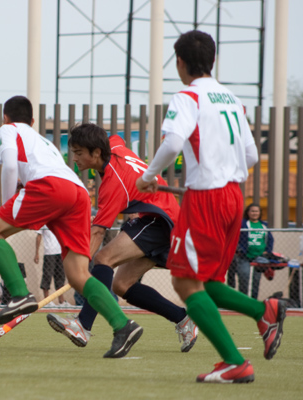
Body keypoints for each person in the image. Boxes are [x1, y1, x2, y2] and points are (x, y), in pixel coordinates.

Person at [135, 30, 286, 383]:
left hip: (207, 199)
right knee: (211, 282)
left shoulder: (187, 96)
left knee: (185, 282)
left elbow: (172, 144)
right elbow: (250, 154)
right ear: (213, 60)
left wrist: (149, 176)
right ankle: (265, 311)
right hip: (234, 196)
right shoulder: (231, 98)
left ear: (180, 63)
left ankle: (235, 361)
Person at [0, 95, 143, 359]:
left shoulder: (7, 130)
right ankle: (123, 325)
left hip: (49, 187)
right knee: (78, 275)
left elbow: (8, 165)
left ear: (6, 118)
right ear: (32, 120)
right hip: (77, 194)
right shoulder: (42, 142)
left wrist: (2, 213)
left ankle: (20, 295)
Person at [47, 123, 198, 352]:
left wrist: (79, 268)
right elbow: (117, 138)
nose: (74, 158)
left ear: (96, 153)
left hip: (160, 220)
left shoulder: (112, 185)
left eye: (78, 153)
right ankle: (182, 318)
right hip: (165, 219)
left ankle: (82, 325)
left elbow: (98, 232)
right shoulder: (113, 146)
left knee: (103, 258)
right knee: (121, 284)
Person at [227, 203, 274, 299]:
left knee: (256, 280)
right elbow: (234, 237)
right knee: (244, 277)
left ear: (260, 213)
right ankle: (243, 300)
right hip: (244, 257)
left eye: (256, 211)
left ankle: (253, 300)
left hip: (259, 258)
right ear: (248, 212)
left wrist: (267, 251)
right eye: (252, 211)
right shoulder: (242, 224)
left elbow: (270, 239)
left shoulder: (263, 225)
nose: (254, 213)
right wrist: (240, 249)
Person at [34, 225, 68, 306]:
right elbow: (39, 236)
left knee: (60, 276)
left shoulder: (59, 218)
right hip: (49, 252)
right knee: (47, 275)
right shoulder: (44, 220)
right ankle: (47, 301)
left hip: (60, 252)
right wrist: (37, 253)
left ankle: (61, 301)